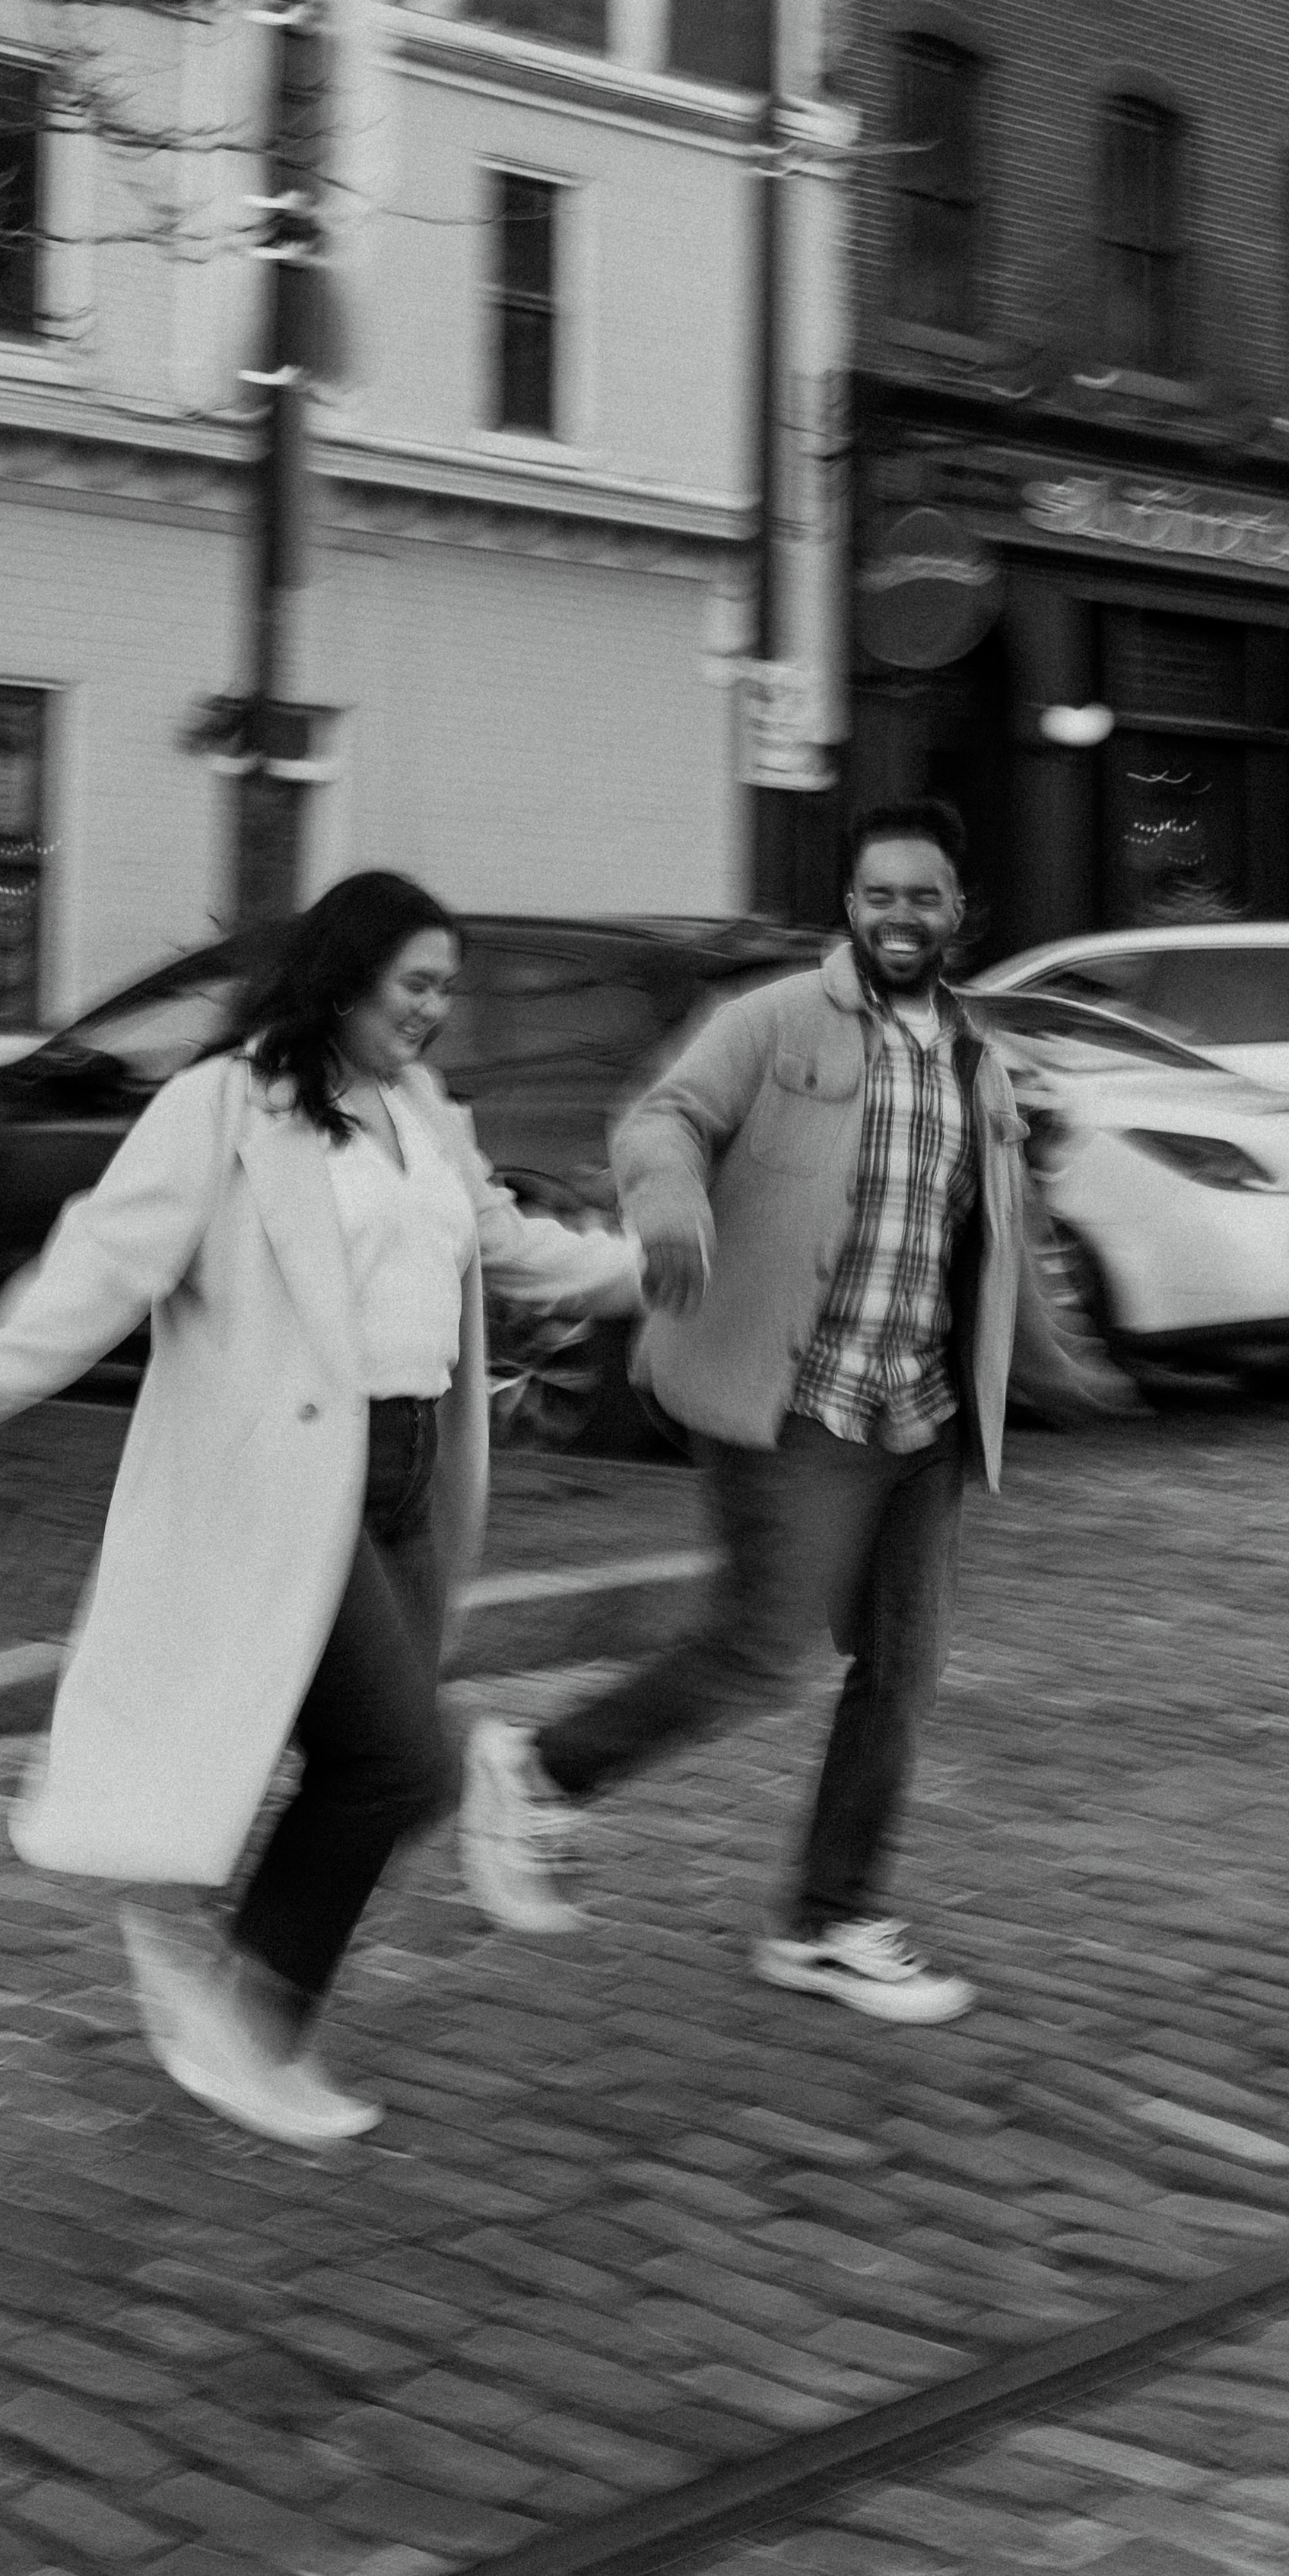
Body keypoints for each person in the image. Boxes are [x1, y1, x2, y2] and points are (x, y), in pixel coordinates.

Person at [0, 871, 638, 2148]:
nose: (435, 1011)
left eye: (447, 989)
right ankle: (251, 2021)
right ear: (343, 976)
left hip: (408, 1473)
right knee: (398, 1761)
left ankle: (227, 1987)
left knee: (382, 1775)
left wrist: (645, 1270)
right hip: (290, 1479)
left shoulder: (422, 1110)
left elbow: (499, 1240)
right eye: (417, 984)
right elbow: (108, 1257)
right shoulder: (224, 1106)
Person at [459, 799, 1024, 2022]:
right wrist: (669, 1214)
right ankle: (542, 1769)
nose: (899, 916)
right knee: (766, 1651)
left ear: (958, 909)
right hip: (790, 1398)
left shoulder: (979, 1057)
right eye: (878, 894)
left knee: (902, 1671)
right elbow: (665, 1120)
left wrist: (1046, 1368)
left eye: (922, 895)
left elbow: (973, 1236)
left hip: (914, 1414)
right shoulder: (773, 1020)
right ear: (851, 907)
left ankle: (829, 1922)